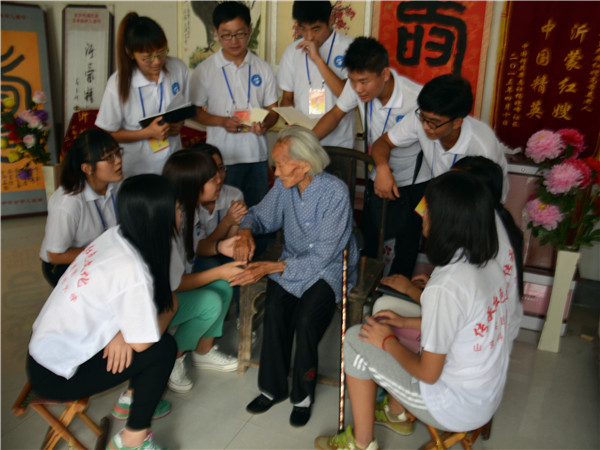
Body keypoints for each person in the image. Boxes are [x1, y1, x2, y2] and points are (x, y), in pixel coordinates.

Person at [315, 171, 522, 450]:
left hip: (453, 406)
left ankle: (361, 443)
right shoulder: (488, 263)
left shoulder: (447, 285)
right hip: (485, 396)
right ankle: (396, 414)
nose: (422, 214)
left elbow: (428, 374)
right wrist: (403, 322)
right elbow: (463, 327)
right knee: (388, 314)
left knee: (355, 338)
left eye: (428, 209)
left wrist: (387, 342)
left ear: (446, 221)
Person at [28, 174, 179, 450]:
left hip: (46, 349)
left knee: (151, 327)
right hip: (56, 373)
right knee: (163, 349)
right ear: (159, 216)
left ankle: (134, 398)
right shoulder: (132, 269)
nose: (182, 214)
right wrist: (170, 308)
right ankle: (131, 441)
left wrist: (122, 333)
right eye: (178, 208)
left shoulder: (116, 235)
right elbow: (144, 342)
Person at [230, 126, 358, 427]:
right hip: (291, 260)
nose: (275, 172)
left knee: (306, 320)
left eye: (280, 164)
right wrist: (246, 230)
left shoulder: (335, 192)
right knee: (275, 309)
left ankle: (303, 396)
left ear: (303, 165)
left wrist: (270, 268)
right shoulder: (284, 186)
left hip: (328, 267)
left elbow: (322, 256)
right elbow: (260, 216)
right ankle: (272, 388)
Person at [313, 36, 429, 277]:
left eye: (364, 81)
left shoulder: (415, 99)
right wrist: (306, 142)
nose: (357, 89)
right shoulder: (356, 88)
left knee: (408, 244)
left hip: (415, 180)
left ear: (384, 74)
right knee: (370, 239)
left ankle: (397, 291)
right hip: (378, 175)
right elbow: (335, 115)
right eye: (353, 80)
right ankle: (365, 290)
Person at [381, 156, 524, 304]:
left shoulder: (483, 241)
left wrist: (411, 290)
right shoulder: (486, 226)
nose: (424, 213)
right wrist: (433, 284)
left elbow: (457, 307)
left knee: (385, 305)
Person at [162, 148, 244, 393]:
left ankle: (203, 351)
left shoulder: (188, 209)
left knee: (223, 287)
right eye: (211, 178)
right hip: (159, 301)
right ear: (193, 184)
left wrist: (221, 247)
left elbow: (198, 246)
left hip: (173, 290)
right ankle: (173, 359)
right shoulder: (169, 219)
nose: (219, 180)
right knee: (211, 300)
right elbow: (174, 284)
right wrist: (220, 271)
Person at [190, 1, 279, 207]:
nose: (233, 41)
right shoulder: (205, 70)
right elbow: (194, 111)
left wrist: (265, 124)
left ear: (249, 30)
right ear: (216, 33)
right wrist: (222, 121)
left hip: (256, 156)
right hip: (222, 159)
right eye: (226, 35)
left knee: (257, 212)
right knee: (225, 212)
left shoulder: (263, 68)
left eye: (240, 34)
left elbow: (273, 111)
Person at [371, 74, 510, 203]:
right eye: (423, 117)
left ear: (457, 122)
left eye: (434, 122)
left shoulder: (482, 148)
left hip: (473, 205)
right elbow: (383, 142)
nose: (425, 126)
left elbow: (481, 206)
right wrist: (382, 168)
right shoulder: (421, 117)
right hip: (441, 194)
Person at [96, 12, 190, 178]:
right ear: (130, 53)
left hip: (173, 164)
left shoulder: (178, 68)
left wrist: (179, 124)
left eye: (161, 52)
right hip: (136, 169)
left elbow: (185, 106)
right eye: (147, 58)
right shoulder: (117, 83)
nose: (157, 62)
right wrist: (147, 133)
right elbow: (107, 134)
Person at [39, 129, 122, 286]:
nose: (118, 161)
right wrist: (104, 254)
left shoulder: (116, 185)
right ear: (87, 168)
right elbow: (55, 255)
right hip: (65, 264)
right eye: (109, 157)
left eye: (118, 153)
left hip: (105, 255)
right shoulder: (68, 202)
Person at [278, 1, 355, 149]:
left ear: (331, 19)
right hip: (303, 144)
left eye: (316, 29)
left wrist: (318, 60)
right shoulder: (292, 51)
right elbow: (287, 98)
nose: (309, 36)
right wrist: (289, 120)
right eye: (303, 29)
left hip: (339, 144)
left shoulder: (351, 48)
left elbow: (347, 96)